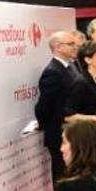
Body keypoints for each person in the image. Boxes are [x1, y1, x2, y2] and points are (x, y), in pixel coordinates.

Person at [35, 30, 80, 181]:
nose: (75, 47)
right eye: (71, 44)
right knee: (62, 176)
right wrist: (43, 124)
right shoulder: (52, 72)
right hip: (59, 133)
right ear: (58, 47)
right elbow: (44, 106)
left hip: (74, 130)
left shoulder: (72, 67)